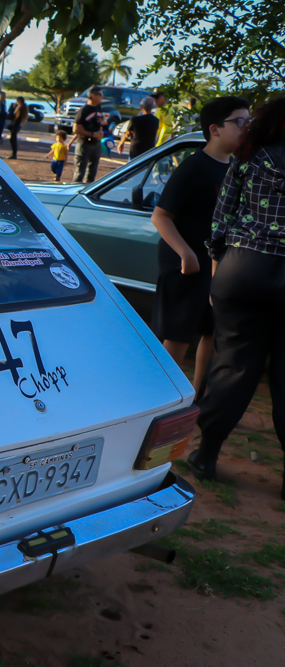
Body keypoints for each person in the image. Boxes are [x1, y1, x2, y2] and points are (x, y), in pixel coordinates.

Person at [188, 98, 285, 488]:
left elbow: (221, 220)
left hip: (243, 268)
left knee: (234, 364)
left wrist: (217, 268)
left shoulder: (250, 156)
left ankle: (207, 455)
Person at [151, 96, 250, 406]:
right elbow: (160, 216)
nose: (245, 128)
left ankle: (198, 396)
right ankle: (162, 399)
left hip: (215, 264)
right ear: (215, 129)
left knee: (211, 330)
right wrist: (186, 254)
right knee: (179, 335)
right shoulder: (194, 167)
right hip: (186, 264)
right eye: (239, 122)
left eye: (249, 122)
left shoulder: (234, 167)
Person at [73, 86, 105, 183]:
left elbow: (101, 121)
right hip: (84, 144)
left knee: (92, 173)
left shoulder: (98, 108)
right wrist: (92, 134)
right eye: (101, 94)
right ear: (94, 96)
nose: (102, 97)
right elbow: (76, 128)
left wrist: (101, 131)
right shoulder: (84, 110)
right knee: (79, 173)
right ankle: (74, 192)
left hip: (96, 144)